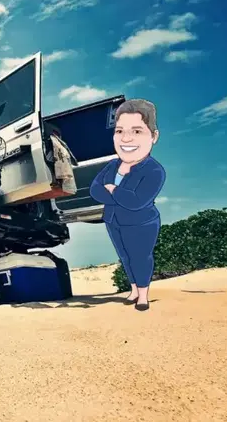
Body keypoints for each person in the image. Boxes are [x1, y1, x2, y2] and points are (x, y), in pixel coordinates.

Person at [90, 99, 166, 311]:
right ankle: (133, 290)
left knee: (140, 257)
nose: (126, 138)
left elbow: (137, 202)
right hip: (113, 219)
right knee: (124, 256)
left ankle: (143, 295)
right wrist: (120, 195)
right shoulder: (112, 165)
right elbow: (95, 190)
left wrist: (113, 190)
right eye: (119, 130)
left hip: (141, 223)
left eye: (137, 131)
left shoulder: (154, 170)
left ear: (154, 136)